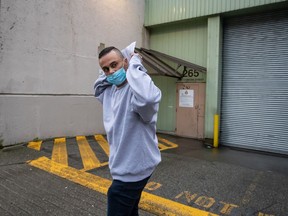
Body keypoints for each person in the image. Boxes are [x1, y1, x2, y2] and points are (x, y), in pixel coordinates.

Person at [94, 43, 162, 216]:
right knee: (131, 211)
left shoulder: (136, 91)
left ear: (125, 62)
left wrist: (135, 63)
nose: (110, 71)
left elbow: (148, 98)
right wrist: (108, 73)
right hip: (120, 166)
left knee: (116, 196)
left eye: (114, 64)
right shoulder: (109, 92)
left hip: (134, 169)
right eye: (105, 69)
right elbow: (97, 88)